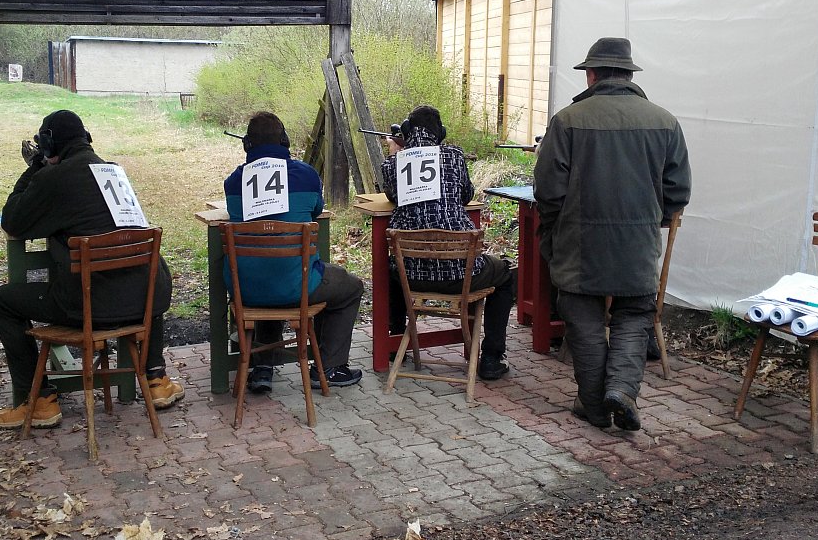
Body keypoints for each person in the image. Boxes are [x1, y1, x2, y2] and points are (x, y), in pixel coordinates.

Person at [0, 109, 184, 429]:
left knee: (1, 301)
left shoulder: (54, 178)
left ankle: (38, 400)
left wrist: (35, 167)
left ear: (49, 144)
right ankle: (156, 379)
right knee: (140, 280)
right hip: (147, 303)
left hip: (93, 306)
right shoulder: (113, 171)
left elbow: (13, 221)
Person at [533, 37, 691, 431]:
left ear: (591, 75)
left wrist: (554, 231)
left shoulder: (567, 121)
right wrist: (647, 221)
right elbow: (678, 192)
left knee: (582, 316)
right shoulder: (665, 121)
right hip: (637, 246)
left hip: (579, 246)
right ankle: (620, 389)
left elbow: (548, 191)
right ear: (629, 74)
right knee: (634, 316)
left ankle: (594, 405)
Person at [223, 112, 364, 392]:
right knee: (350, 287)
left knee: (270, 274)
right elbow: (316, 210)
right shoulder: (306, 175)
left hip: (245, 288)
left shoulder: (234, 182)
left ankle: (262, 367)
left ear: (247, 144)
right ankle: (329, 367)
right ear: (285, 141)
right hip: (295, 284)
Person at [381, 105, 516, 381]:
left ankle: (395, 342)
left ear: (407, 132)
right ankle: (491, 358)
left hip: (412, 279)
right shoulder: (454, 156)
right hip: (460, 275)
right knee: (507, 274)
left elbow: (393, 195)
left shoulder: (394, 163)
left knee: (392, 267)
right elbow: (466, 195)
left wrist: (396, 153)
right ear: (440, 133)